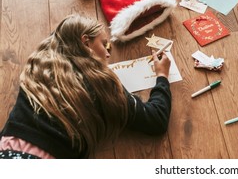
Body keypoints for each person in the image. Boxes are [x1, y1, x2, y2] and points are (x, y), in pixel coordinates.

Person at [0, 14, 172, 159]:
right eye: (104, 44)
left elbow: (61, 34)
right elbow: (156, 119)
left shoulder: (37, 68)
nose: (107, 54)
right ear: (85, 43)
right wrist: (162, 75)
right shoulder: (100, 83)